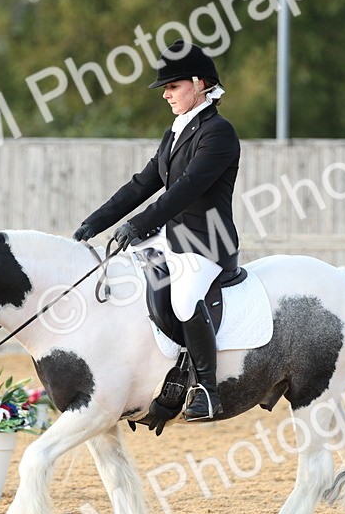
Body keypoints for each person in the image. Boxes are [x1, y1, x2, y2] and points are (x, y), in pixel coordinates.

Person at [74, 41, 241, 421]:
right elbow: (142, 183)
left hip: (207, 239)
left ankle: (206, 389)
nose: (166, 94)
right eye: (165, 88)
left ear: (199, 83)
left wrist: (139, 224)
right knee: (123, 279)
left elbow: (186, 188)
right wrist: (95, 222)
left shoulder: (219, 133)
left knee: (184, 299)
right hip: (171, 234)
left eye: (173, 86)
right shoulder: (175, 132)